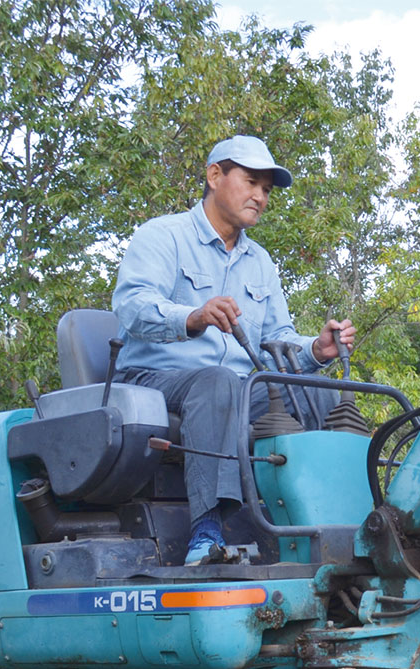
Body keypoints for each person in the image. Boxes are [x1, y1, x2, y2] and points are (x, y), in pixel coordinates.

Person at [112, 135, 355, 564]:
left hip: (237, 388)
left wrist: (316, 348)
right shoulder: (163, 236)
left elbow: (278, 339)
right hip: (153, 380)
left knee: (315, 388)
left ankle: (329, 525)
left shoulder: (260, 261)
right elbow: (132, 308)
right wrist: (193, 317)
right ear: (215, 176)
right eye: (251, 182)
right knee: (219, 382)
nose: (260, 196)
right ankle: (205, 534)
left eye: (266, 189)